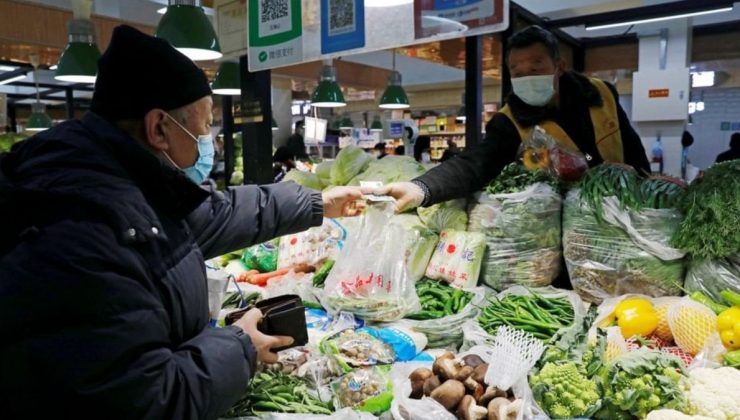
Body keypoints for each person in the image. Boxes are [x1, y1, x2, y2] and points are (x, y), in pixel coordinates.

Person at [0, 26, 365, 419]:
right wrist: (241, 346)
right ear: (159, 128)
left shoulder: (125, 186)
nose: (208, 142)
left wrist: (316, 204)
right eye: (204, 127)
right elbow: (147, 398)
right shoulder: (81, 231)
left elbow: (217, 214)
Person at [376, 25, 650, 211]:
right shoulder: (509, 122)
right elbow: (475, 165)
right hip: (571, 223)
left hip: (629, 206)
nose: (526, 75)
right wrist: (421, 188)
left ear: (559, 67)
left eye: (535, 65)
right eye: (517, 71)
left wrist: (649, 192)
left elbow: (633, 149)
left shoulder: (600, 93)